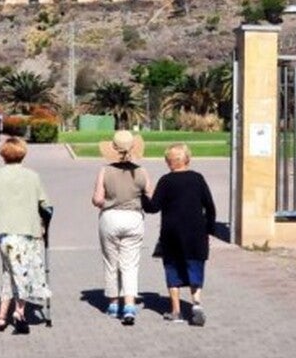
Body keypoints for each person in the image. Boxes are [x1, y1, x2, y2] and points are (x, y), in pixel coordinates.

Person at [0, 137, 52, 334]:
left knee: (10, 271)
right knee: (22, 272)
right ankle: (19, 313)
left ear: (3, 155)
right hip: (28, 231)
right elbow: (46, 205)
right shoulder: (33, 176)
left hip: (4, 232)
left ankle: (2, 316)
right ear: (23, 153)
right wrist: (45, 223)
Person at [143, 143, 215, 326]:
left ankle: (176, 311)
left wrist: (143, 196)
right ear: (187, 159)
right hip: (196, 233)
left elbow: (153, 207)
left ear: (169, 162)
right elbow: (209, 206)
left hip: (171, 233)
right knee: (195, 266)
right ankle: (196, 304)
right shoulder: (198, 179)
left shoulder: (166, 181)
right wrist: (209, 229)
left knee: (173, 268)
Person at [92, 130, 149, 325]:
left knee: (111, 262)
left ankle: (114, 302)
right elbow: (150, 194)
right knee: (130, 263)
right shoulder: (141, 171)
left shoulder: (105, 170)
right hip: (134, 218)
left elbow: (98, 199)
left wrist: (107, 200)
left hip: (110, 217)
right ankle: (130, 305)